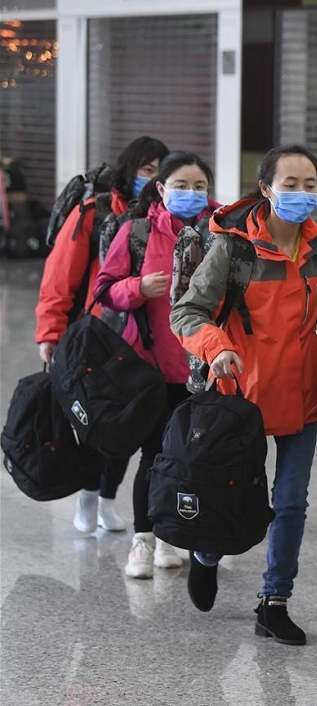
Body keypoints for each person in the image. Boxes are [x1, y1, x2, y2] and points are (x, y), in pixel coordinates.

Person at [170, 144, 317, 645]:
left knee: (291, 503)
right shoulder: (233, 249)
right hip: (240, 399)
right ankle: (207, 553)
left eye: (310, 184)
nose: (302, 193)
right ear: (266, 189)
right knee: (230, 495)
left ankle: (274, 600)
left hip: (303, 397)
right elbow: (187, 313)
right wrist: (215, 348)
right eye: (291, 184)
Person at [94, 150, 221, 579]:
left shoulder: (218, 232)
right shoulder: (137, 232)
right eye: (181, 186)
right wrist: (138, 286)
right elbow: (105, 290)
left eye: (199, 186)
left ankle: (172, 536)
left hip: (200, 368)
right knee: (153, 456)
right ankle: (142, 543)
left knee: (188, 458)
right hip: (147, 368)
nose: (191, 194)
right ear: (162, 189)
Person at [35, 135, 169, 534]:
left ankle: (106, 499)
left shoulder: (161, 216)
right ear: (130, 171)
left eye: (161, 171)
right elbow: (59, 278)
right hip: (97, 337)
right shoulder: (94, 212)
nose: (155, 178)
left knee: (132, 424)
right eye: (147, 170)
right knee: (102, 424)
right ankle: (89, 497)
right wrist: (50, 332)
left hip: (141, 338)